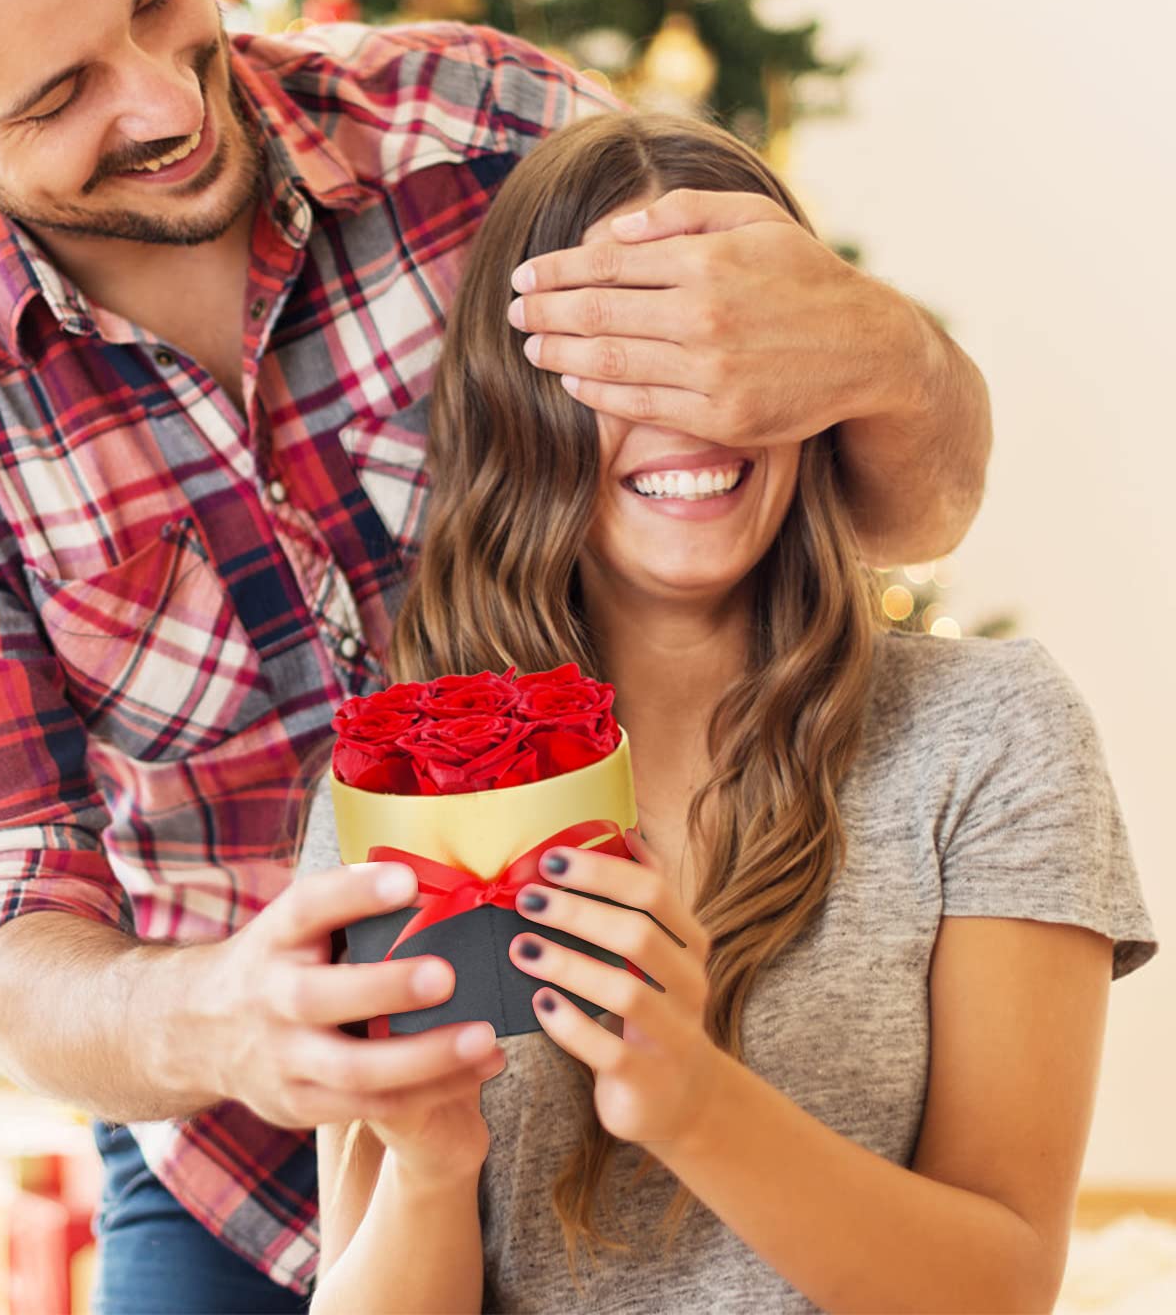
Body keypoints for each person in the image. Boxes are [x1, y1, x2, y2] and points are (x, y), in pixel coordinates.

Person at [0, 0, 995, 1311]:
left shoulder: (491, 131)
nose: (163, 96)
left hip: (684, 1049)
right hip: (263, 1159)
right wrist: (230, 1021)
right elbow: (11, 928)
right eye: (54, 97)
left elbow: (898, 510)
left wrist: (896, 355)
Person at [296, 107, 1158, 1314]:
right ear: (520, 407)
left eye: (730, 355)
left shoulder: (990, 736)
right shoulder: (408, 796)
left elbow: (1002, 1286)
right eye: (621, 360)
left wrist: (697, 1103)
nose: (691, 409)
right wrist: (430, 1171)